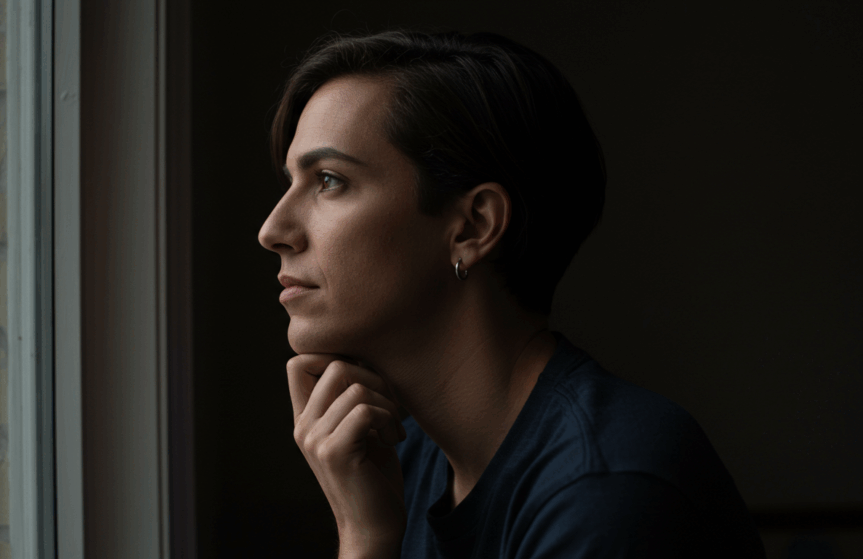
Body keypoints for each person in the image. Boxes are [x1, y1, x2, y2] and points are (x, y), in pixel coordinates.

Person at [258, 29, 765, 559]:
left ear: (474, 226)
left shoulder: (605, 487)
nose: (272, 229)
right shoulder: (399, 464)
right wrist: (367, 534)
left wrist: (363, 540)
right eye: (290, 181)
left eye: (330, 180)